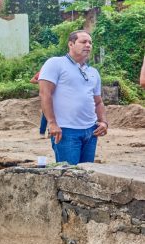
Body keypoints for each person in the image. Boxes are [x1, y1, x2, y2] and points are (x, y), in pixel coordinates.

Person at [39, 30, 108, 165]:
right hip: (65, 131)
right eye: (83, 42)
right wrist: (52, 123)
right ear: (71, 44)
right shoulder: (55, 63)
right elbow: (44, 94)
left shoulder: (93, 72)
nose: (88, 45)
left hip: (91, 131)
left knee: (86, 175)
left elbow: (98, 102)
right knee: (68, 174)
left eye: (90, 42)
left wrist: (104, 122)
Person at [30, 70, 47, 137]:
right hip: (46, 95)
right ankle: (43, 132)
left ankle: (46, 133)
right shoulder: (43, 72)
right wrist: (41, 82)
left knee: (47, 113)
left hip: (49, 95)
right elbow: (32, 80)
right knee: (46, 113)